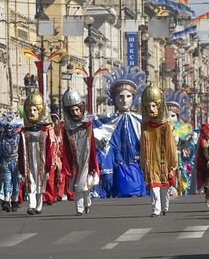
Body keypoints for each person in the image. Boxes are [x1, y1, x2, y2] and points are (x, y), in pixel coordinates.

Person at [93, 66, 147, 198]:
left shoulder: (140, 120)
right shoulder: (108, 121)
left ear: (133, 98)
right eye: (121, 96)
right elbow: (96, 131)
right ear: (114, 98)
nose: (124, 100)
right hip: (116, 163)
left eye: (128, 96)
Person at [140, 83, 178, 217]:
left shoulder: (166, 125)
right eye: (148, 106)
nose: (150, 109)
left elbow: (171, 145)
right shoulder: (145, 125)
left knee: (164, 188)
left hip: (164, 160)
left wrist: (173, 164)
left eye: (153, 106)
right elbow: (143, 144)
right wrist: (143, 161)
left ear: (159, 106)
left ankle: (165, 207)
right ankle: (156, 209)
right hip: (151, 160)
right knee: (153, 186)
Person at [60, 88, 100, 216]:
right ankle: (79, 209)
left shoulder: (87, 125)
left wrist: (94, 162)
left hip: (86, 160)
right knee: (78, 185)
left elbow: (93, 145)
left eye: (77, 110)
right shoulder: (67, 129)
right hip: (75, 161)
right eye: (72, 111)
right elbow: (65, 147)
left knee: (84, 185)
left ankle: (87, 203)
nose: (75, 113)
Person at [18, 90, 54, 215]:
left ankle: (39, 204)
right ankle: (31, 205)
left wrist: (49, 166)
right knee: (30, 181)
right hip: (29, 162)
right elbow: (20, 150)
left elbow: (49, 150)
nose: (32, 113)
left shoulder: (44, 132)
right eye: (30, 110)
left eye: (35, 110)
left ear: (40, 111)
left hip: (41, 162)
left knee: (40, 182)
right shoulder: (24, 133)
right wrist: (21, 167)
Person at [0, 114, 23, 212]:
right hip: (5, 162)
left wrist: (23, 164)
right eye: (7, 128)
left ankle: (14, 201)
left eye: (11, 128)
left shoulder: (18, 137)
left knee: (16, 182)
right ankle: (6, 201)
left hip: (16, 162)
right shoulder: (2, 138)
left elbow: (22, 151)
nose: (9, 130)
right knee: (6, 182)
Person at [44, 114, 63, 205]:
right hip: (48, 158)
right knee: (48, 179)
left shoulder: (59, 132)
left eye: (56, 121)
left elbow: (61, 145)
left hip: (57, 158)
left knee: (57, 178)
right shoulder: (48, 131)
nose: (54, 124)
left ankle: (55, 195)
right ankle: (48, 197)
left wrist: (60, 153)